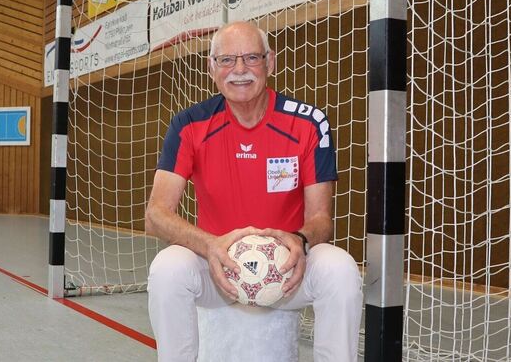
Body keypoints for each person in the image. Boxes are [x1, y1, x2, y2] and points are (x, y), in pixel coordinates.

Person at [145, 21, 363, 362]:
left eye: (251, 58)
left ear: (270, 62)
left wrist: (301, 240)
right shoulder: (188, 124)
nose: (240, 70)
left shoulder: (308, 123)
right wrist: (210, 246)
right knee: (168, 269)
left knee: (341, 269)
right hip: (219, 270)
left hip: (287, 272)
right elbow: (156, 215)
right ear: (211, 67)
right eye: (227, 60)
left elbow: (321, 218)